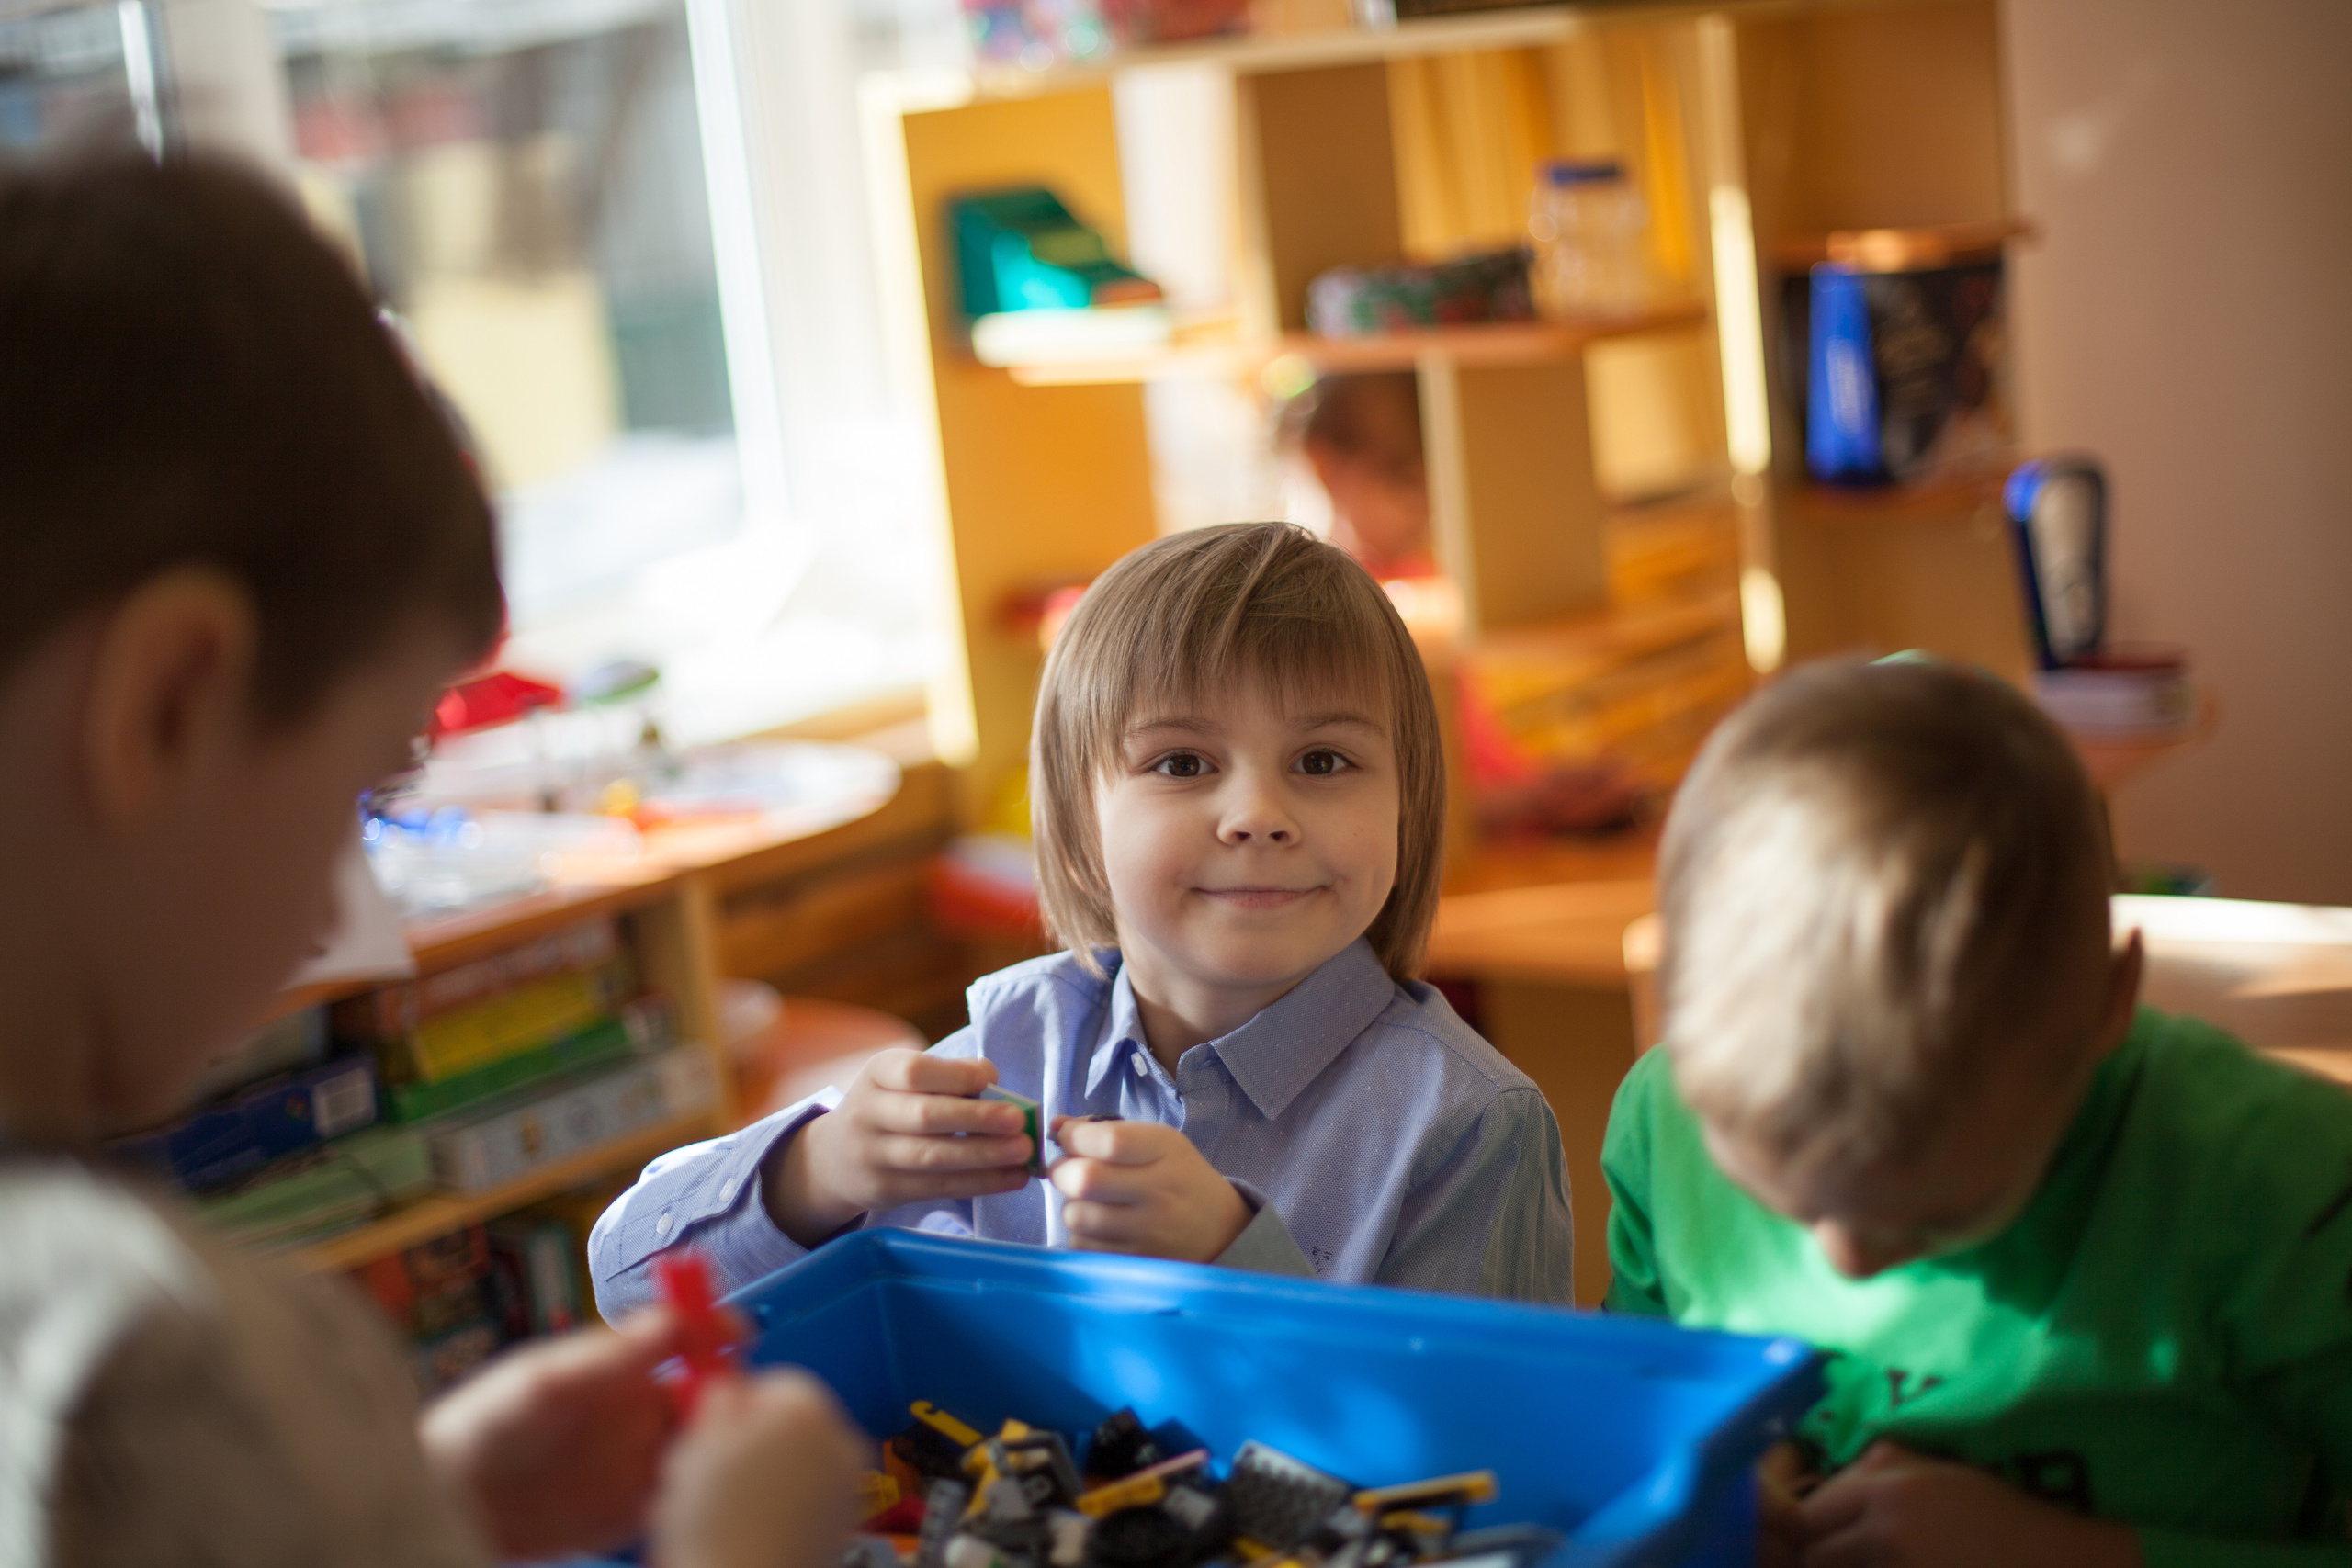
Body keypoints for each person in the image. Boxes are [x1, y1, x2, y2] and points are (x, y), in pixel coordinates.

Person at [0, 152, 864, 1568]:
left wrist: (429, 1514)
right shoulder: (153, 1357)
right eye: (357, 793)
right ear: (170, 704)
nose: (346, 896)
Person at [594, 523, 1575, 1314]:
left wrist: (1233, 1260)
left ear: (1407, 805)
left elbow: (1499, 1466)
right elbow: (627, 1285)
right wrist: (818, 1170)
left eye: (1322, 762)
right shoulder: (1011, 1046)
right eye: (1182, 764)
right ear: (1074, 827)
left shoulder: (1469, 1124)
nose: (1258, 815)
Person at [1602, 657, 2352, 1568]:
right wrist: (1708, 1494)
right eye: (1784, 1200)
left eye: (1939, 1213)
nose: (1850, 1260)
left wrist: (2070, 1555)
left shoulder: (2274, 1186)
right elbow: (1634, 1429)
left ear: (2107, 1006)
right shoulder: (1662, 1123)